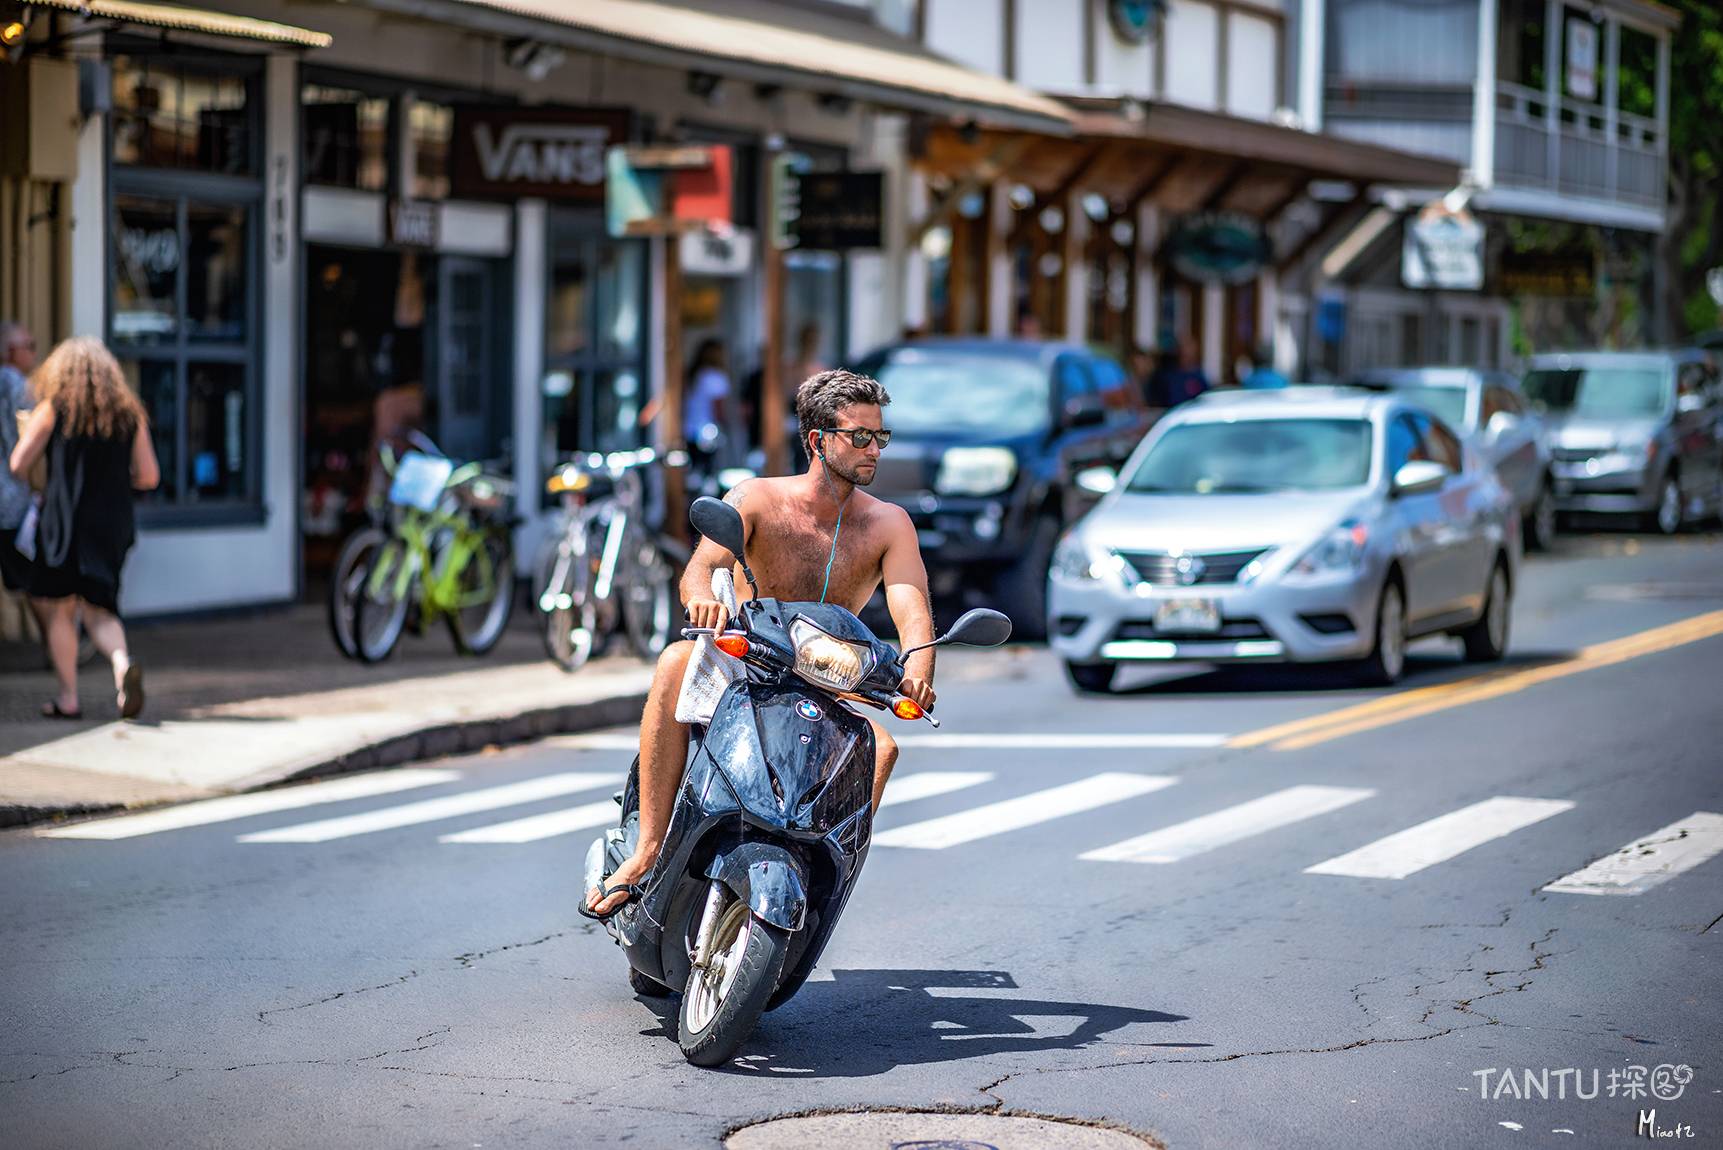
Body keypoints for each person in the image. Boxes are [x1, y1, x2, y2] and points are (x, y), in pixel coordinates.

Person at [585, 369, 937, 918]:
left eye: (880, 438)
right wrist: (703, 599)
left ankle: (825, 889)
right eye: (860, 437)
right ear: (819, 440)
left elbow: (910, 605)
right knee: (677, 661)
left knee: (882, 749)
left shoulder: (889, 523)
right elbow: (700, 569)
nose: (874, 450)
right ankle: (649, 849)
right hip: (746, 657)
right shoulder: (758, 498)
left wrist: (920, 667)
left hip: (825, 674)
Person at [9, 337, 160, 719]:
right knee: (101, 608)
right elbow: (149, 477)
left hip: (65, 521)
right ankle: (122, 664)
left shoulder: (54, 408)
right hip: (112, 523)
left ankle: (68, 698)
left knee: (62, 611)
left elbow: (18, 463)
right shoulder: (129, 414)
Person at [0, 321, 37, 597]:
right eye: (30, 346)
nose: (34, 354)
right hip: (12, 499)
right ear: (11, 351)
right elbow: (30, 444)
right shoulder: (20, 387)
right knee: (29, 582)